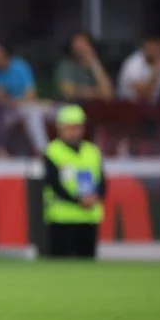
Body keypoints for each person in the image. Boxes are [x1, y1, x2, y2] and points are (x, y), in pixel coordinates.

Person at [43, 105, 106, 259]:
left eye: (77, 127)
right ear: (60, 128)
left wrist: (95, 196)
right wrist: (78, 200)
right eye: (70, 127)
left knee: (87, 264)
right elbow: (55, 184)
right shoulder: (53, 151)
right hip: (62, 218)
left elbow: (102, 181)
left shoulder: (92, 151)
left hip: (89, 217)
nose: (74, 132)